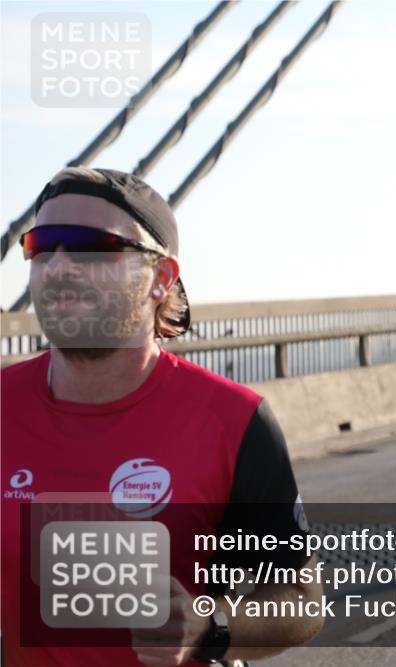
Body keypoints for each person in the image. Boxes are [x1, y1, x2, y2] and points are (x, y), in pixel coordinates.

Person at [1, 168, 323, 666]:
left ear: (161, 278)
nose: (59, 265)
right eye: (44, 245)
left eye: (91, 246)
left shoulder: (234, 421)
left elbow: (302, 603)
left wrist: (209, 625)